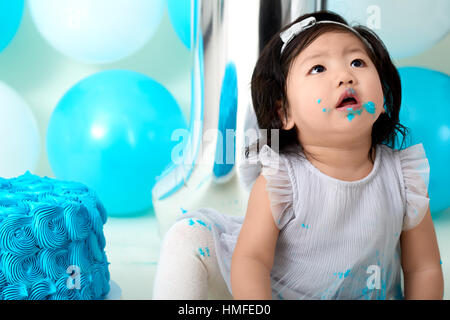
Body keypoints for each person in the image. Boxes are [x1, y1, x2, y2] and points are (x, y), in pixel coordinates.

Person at [152, 11, 443, 300]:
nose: (345, 76)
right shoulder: (281, 178)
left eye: (357, 62)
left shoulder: (404, 177)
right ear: (284, 112)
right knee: (187, 236)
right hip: (261, 289)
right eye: (318, 68)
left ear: (383, 98)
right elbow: (251, 260)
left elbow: (423, 267)